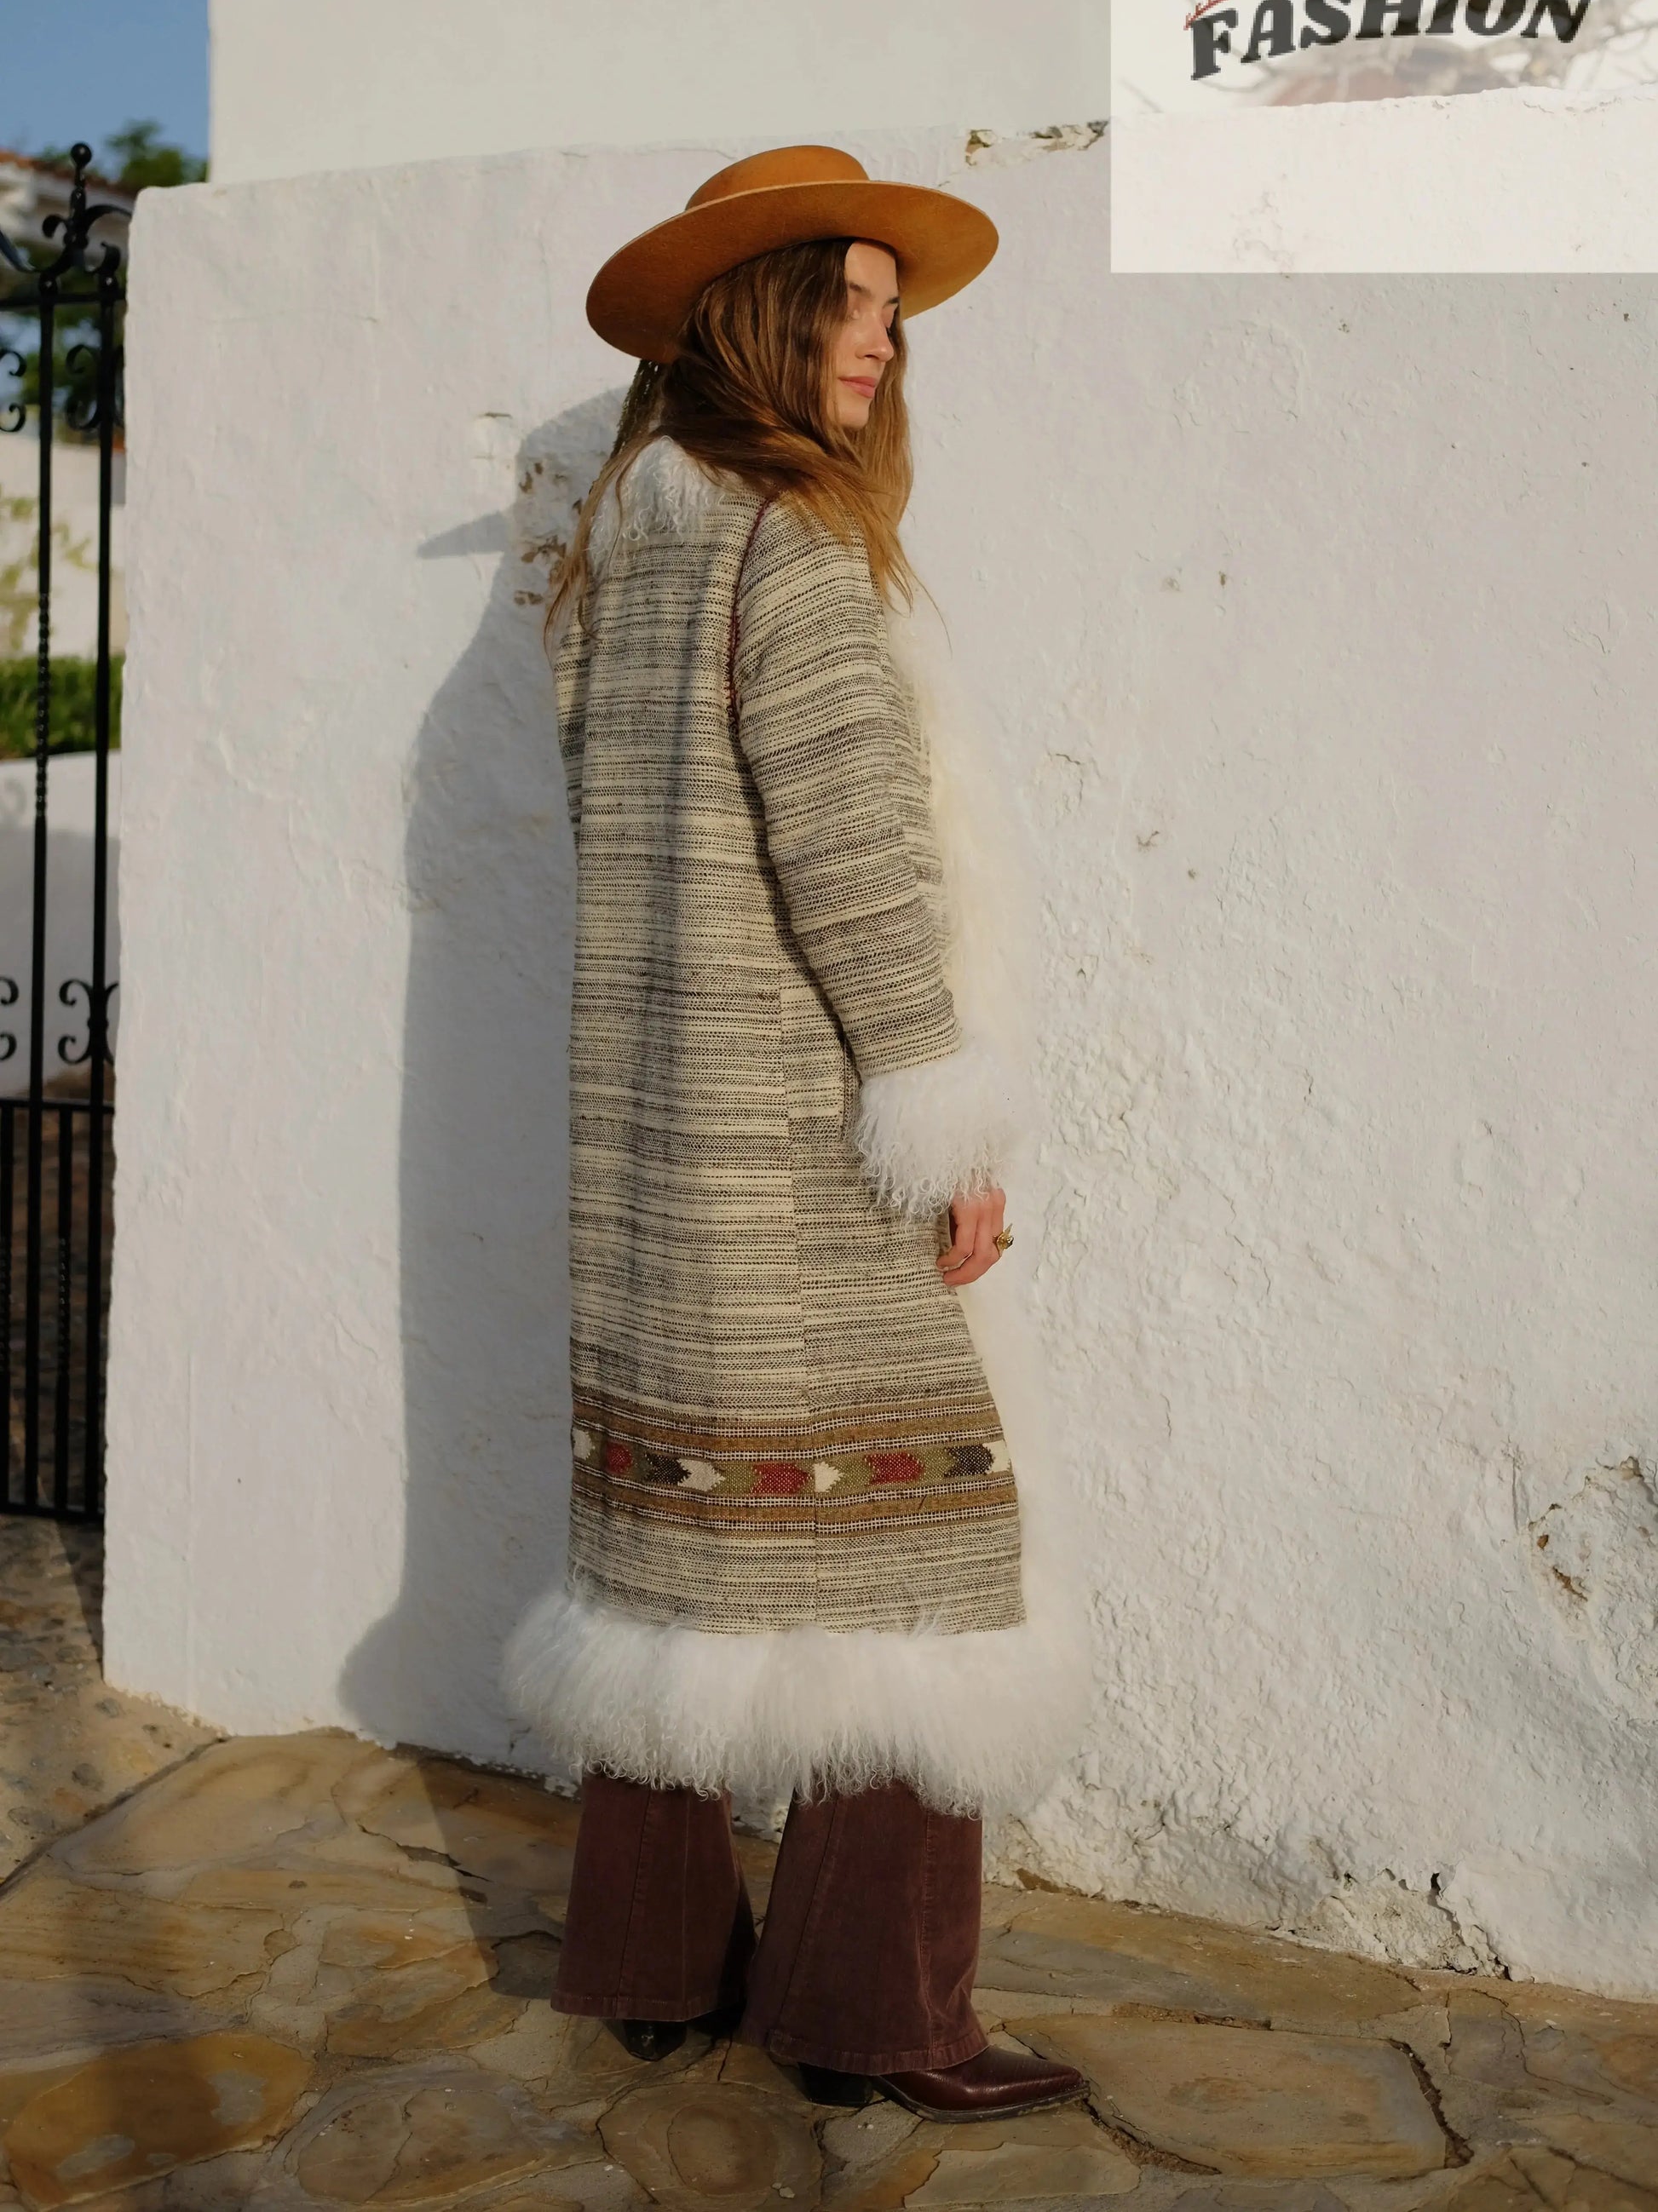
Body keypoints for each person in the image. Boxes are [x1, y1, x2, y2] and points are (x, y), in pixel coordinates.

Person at [505, 146, 1088, 2117]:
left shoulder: (615, 549)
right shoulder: (789, 547)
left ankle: (653, 1961)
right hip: (796, 1150)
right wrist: (943, 1122)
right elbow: (853, 870)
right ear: (758, 311)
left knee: (666, 1550)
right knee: (920, 1563)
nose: (879, 341)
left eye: (890, 310)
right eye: (846, 298)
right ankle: (871, 2009)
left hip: (646, 1148)